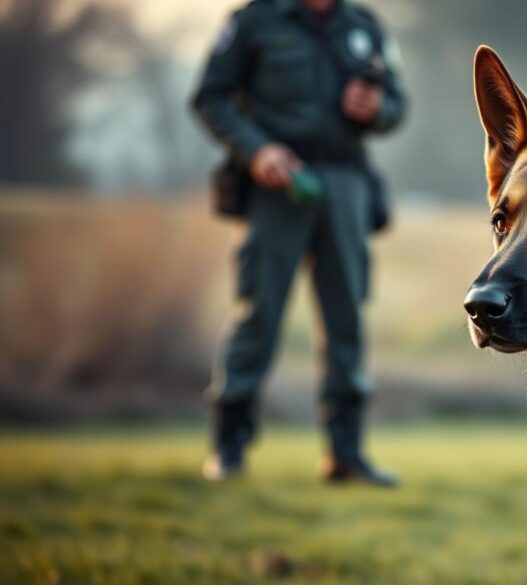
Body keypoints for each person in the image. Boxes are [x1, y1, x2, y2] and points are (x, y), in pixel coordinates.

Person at [191, 0, 405, 486]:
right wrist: (255, 150)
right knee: (259, 314)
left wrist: (377, 110)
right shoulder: (254, 21)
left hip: (346, 181)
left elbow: (397, 104)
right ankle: (228, 449)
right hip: (277, 184)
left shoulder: (363, 25)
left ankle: (346, 455)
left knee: (347, 317)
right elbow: (210, 97)